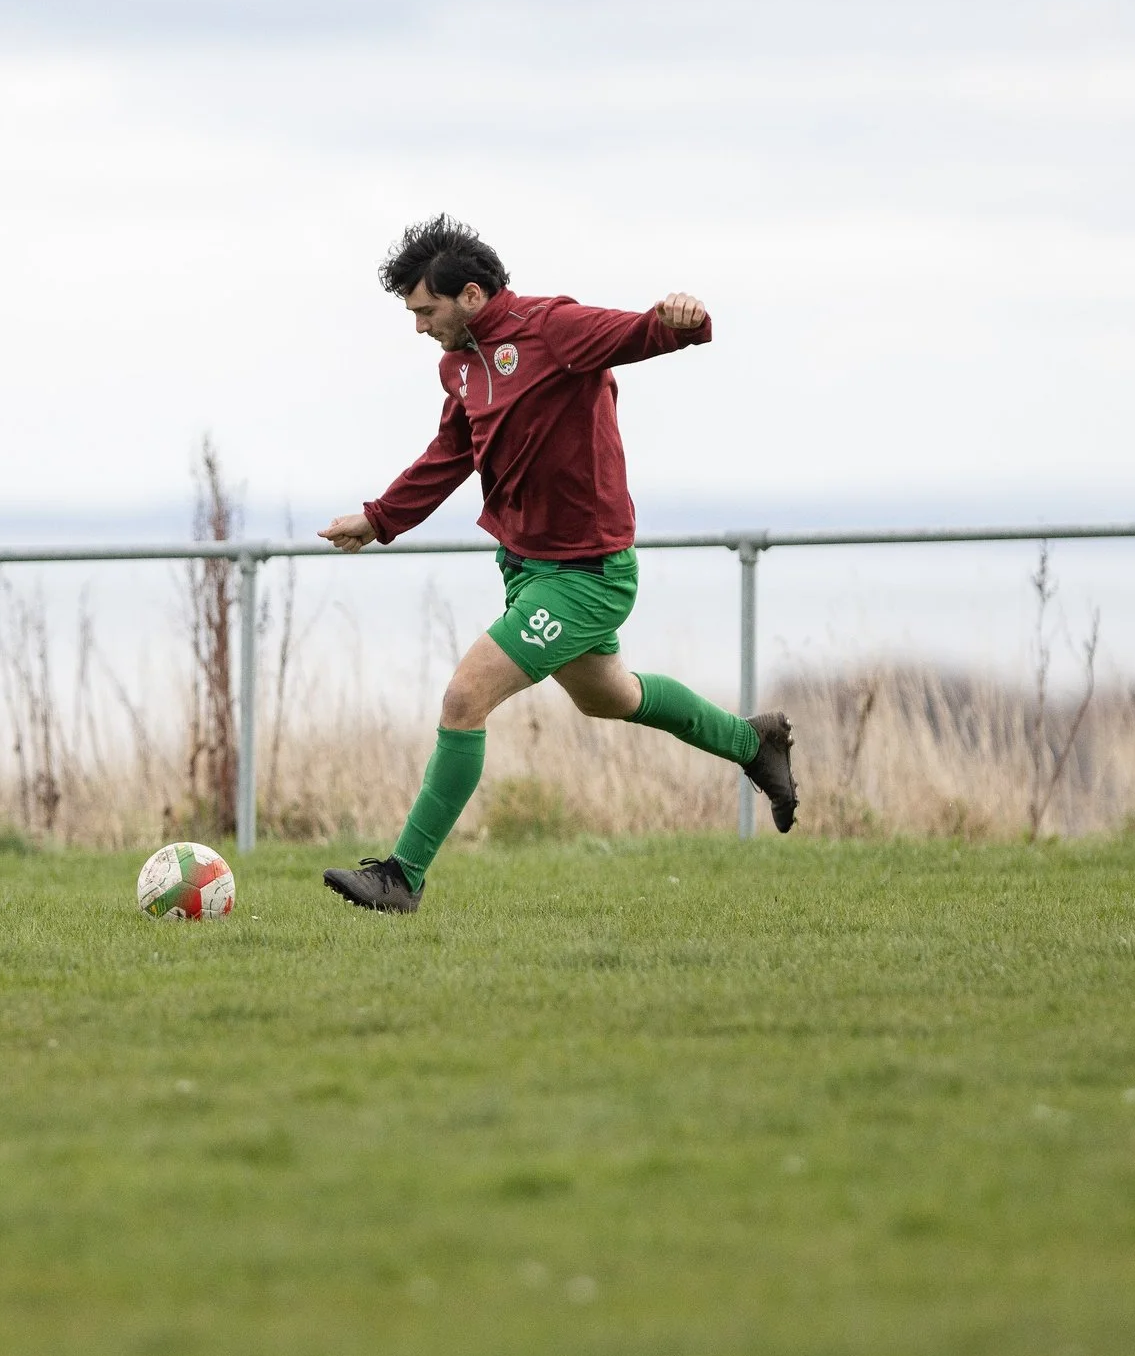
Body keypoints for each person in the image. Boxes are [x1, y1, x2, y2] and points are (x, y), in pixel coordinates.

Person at [318, 216, 799, 913]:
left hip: (588, 576)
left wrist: (682, 321)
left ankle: (402, 876)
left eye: (426, 311)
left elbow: (640, 333)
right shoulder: (459, 364)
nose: (419, 327)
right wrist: (380, 517)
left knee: (464, 699)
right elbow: (452, 452)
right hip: (525, 568)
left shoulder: (553, 329)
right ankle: (753, 742)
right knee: (612, 695)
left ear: (473, 295)